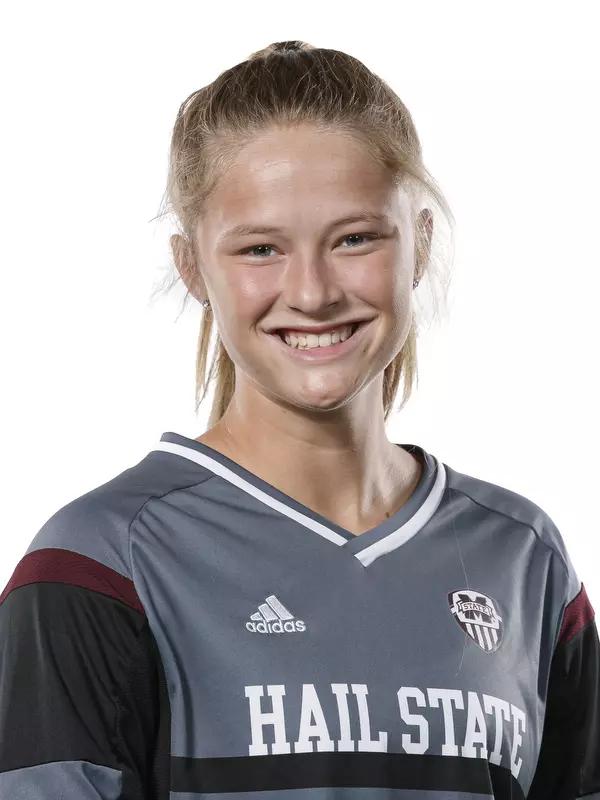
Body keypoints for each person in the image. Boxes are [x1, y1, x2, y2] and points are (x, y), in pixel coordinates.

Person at [0, 40, 598, 800]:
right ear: (192, 267)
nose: (312, 293)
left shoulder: (524, 558)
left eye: (355, 239)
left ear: (420, 244)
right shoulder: (103, 561)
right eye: (261, 249)